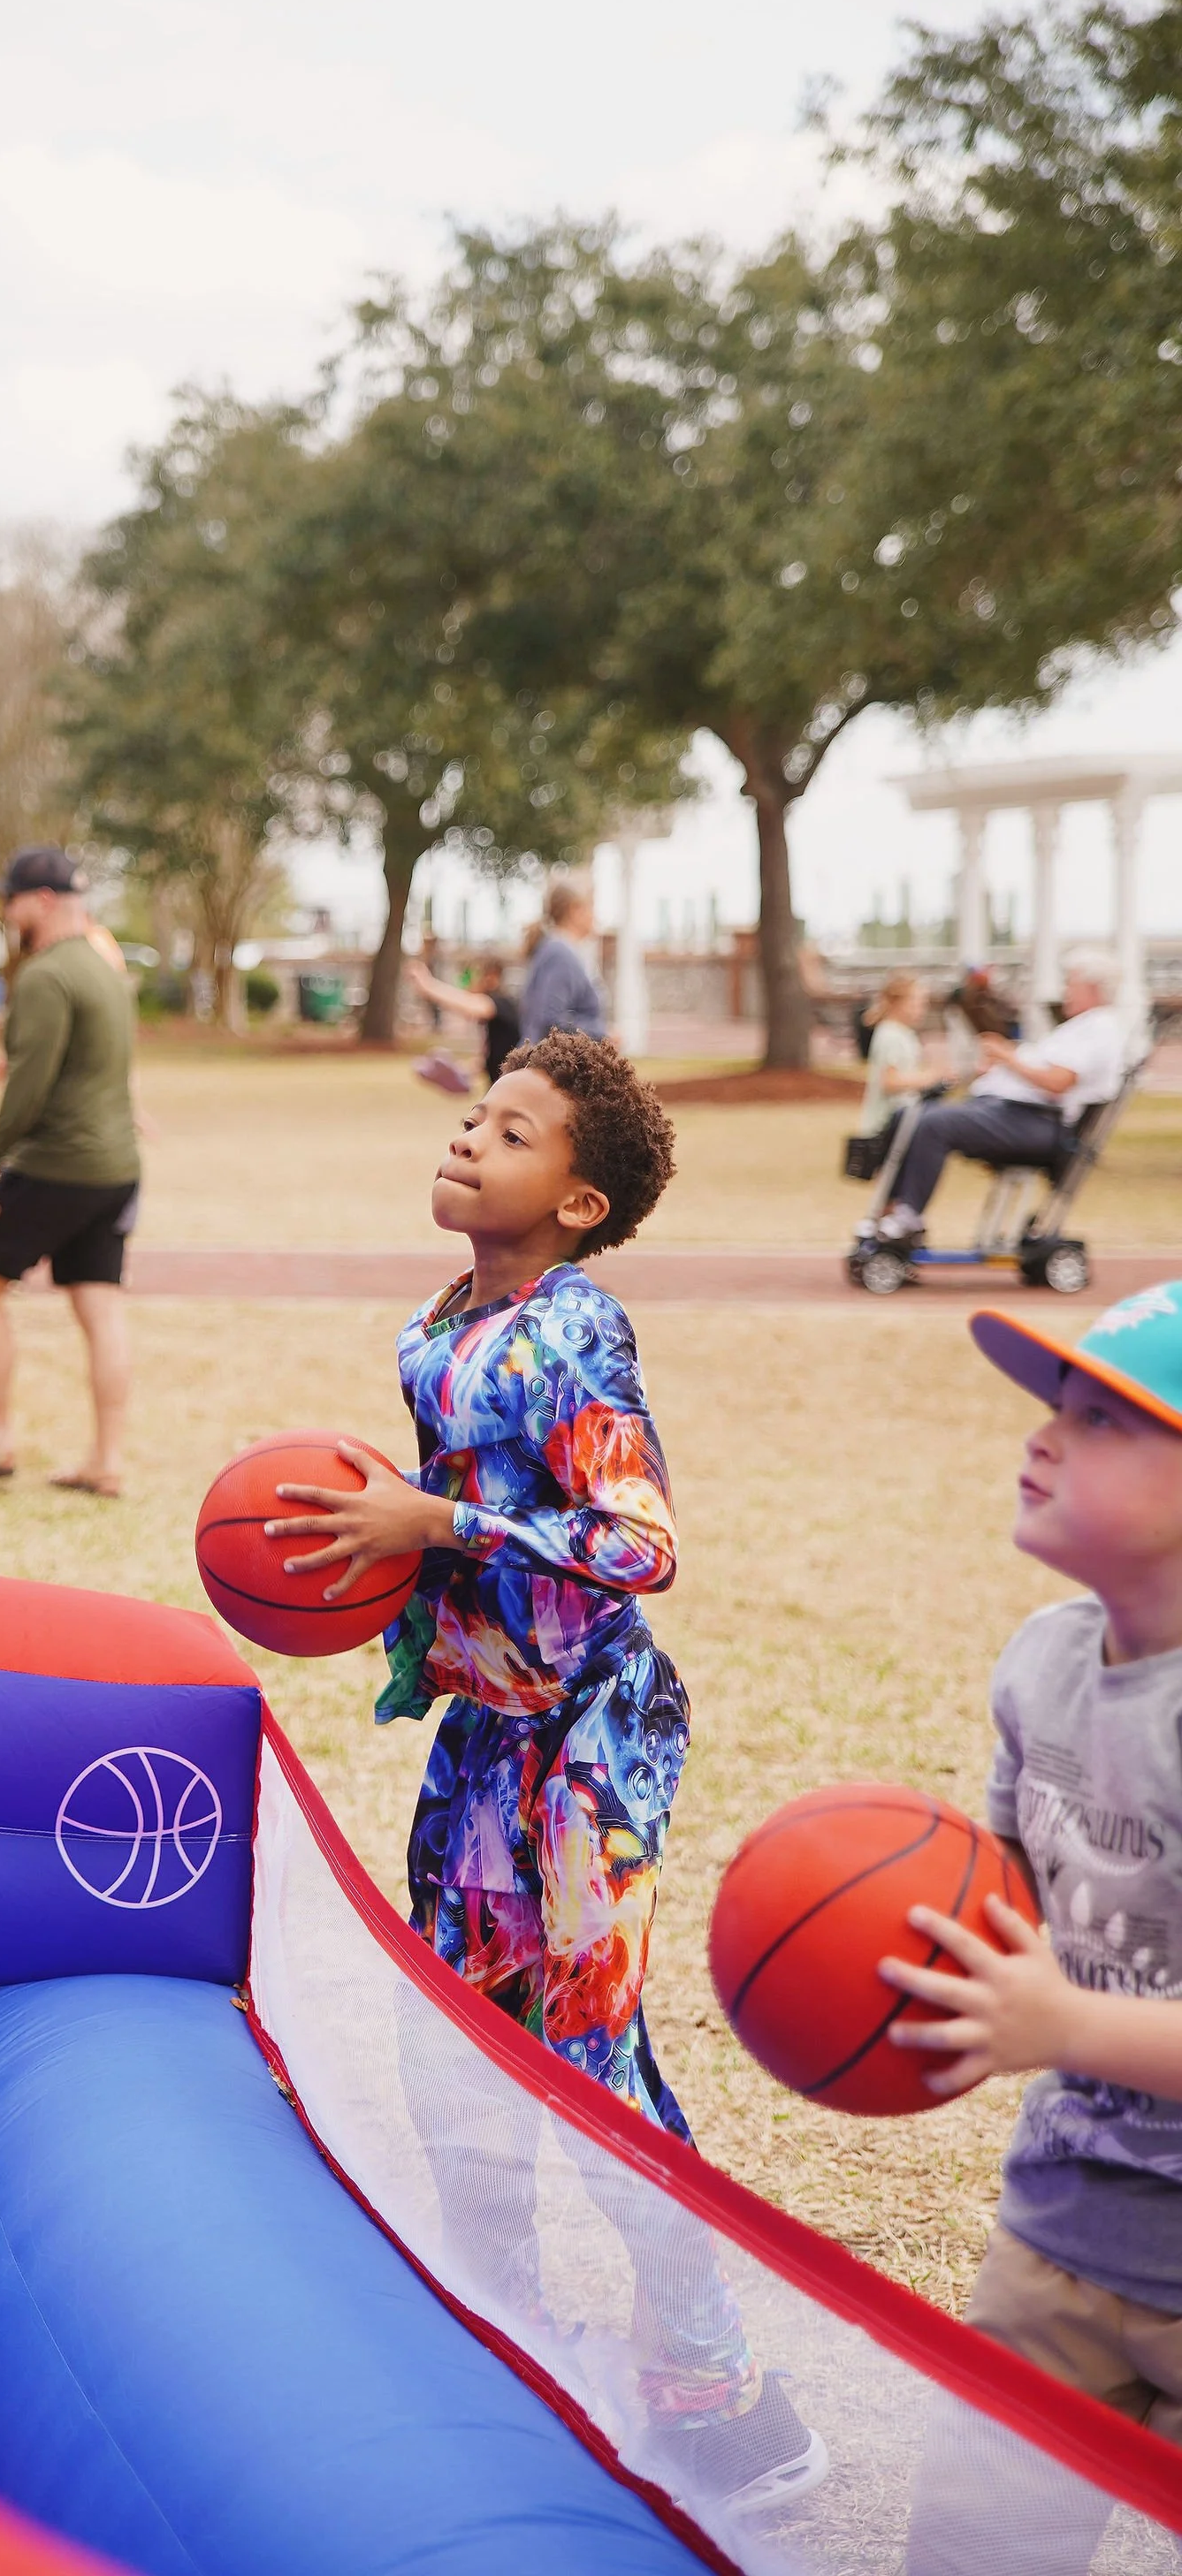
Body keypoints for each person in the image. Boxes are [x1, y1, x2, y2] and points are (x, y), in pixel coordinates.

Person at [264, 1028, 823, 2509]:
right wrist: (383, 1570)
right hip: (480, 1748)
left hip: (587, 1748)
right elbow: (452, 1507)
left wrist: (431, 1531)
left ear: (579, 1201)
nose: (468, 1138)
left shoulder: (573, 1329)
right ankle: (500, 2349)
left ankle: (725, 2406)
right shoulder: (435, 1323)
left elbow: (640, 1543)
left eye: (511, 1132)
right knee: (446, 2052)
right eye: (471, 1114)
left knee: (590, 2066)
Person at [888, 1284, 1182, 2570]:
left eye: (1107, 1418)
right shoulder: (1042, 1664)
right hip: (1063, 2223)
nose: (1044, 1436)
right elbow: (1002, 1893)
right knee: (974, 2545)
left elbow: (1051, 1998)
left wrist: (1063, 2022)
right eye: (1055, 1405)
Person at [0, 845, 138, 1497]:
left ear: (41, 901)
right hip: (116, 1166)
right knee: (100, 1307)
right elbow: (80, 1060)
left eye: (10, 899)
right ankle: (106, 1459)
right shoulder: (103, 966)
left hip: (58, 1164)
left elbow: (32, 1084)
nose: (6, 911)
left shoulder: (45, 975)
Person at [877, 950, 1127, 1241]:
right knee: (911, 1115)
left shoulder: (1099, 1029)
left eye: (1071, 984)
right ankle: (892, 1209)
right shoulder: (1081, 1027)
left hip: (1038, 1123)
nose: (1065, 991)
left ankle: (907, 1217)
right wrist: (1003, 1063)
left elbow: (1058, 1081)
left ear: (1093, 988)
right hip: (1017, 1114)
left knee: (934, 1123)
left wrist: (1007, 1057)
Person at [406, 953, 522, 1090]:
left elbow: (470, 1006)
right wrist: (457, 1072)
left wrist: (428, 986)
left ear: (491, 977)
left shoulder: (502, 1003)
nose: (467, 984)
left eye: (469, 977)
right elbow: (494, 1059)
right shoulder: (496, 1019)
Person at [519, 881, 606, 1045]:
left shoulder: (558, 949)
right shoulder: (560, 953)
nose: (595, 915)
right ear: (575, 910)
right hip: (548, 1064)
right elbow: (551, 1021)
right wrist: (601, 1034)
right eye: (592, 906)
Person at [857, 972, 938, 1143]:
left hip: (901, 1123)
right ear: (897, 1003)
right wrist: (930, 1077)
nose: (922, 1009)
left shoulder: (903, 1033)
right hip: (885, 1126)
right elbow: (890, 1082)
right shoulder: (890, 1035)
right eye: (917, 1003)